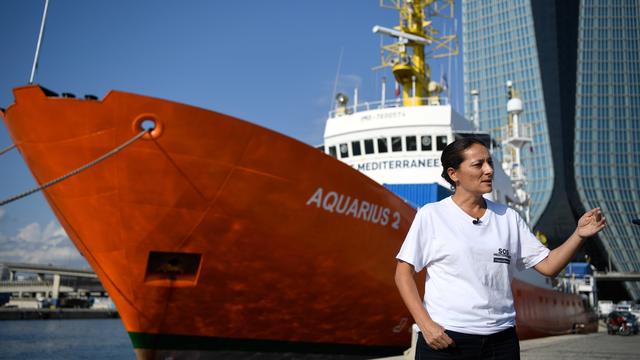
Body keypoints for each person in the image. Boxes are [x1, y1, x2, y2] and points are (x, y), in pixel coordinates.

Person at [395, 138, 606, 359]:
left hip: (501, 343)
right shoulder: (432, 215)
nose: (489, 170)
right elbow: (403, 274)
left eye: (490, 163)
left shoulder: (508, 218)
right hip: (447, 341)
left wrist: (578, 235)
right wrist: (425, 325)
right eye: (478, 164)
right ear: (453, 173)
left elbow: (548, 265)